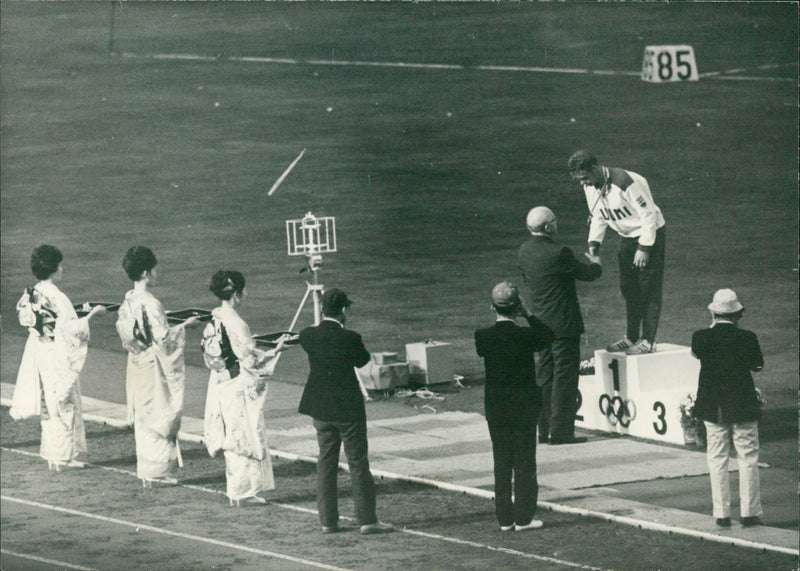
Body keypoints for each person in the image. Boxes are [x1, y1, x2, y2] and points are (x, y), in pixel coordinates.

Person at [297, 288, 393, 535]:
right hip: (348, 409)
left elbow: (309, 337)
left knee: (326, 463)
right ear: (343, 311)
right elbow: (362, 361)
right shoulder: (350, 337)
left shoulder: (308, 335)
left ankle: (328, 521)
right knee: (358, 463)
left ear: (322, 310)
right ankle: (367, 520)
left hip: (320, 408)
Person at [10, 245, 107, 471]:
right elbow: (72, 329)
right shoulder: (57, 296)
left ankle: (55, 454)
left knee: (49, 403)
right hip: (57, 353)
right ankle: (63, 457)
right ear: (53, 269)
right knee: (65, 400)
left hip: (40, 350)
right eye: (59, 265)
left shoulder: (31, 293)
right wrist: (93, 314)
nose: (62, 269)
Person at [201, 270, 291, 506]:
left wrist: (251, 343)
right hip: (236, 384)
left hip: (220, 381)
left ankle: (237, 490)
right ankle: (242, 492)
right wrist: (275, 351)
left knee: (233, 434)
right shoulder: (235, 322)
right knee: (244, 435)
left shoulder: (215, 319)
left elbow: (218, 353)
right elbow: (249, 359)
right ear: (237, 295)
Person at [115, 246, 200, 487]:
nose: (156, 273)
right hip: (153, 365)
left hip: (136, 360)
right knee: (159, 412)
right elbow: (163, 338)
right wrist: (185, 325)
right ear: (145, 272)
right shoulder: (151, 302)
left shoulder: (129, 299)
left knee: (145, 415)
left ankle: (147, 469)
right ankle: (159, 471)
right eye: (153, 269)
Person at [568, 150, 666, 355]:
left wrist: (644, 248)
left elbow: (648, 214)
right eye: (578, 180)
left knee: (648, 288)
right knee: (628, 288)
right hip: (627, 237)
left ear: (594, 169)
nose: (582, 183)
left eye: (584, 178)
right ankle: (631, 337)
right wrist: (594, 242)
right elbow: (598, 215)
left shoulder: (625, 181)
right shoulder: (590, 185)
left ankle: (648, 340)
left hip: (648, 234)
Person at [518, 206, 602, 445]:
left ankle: (544, 431)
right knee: (564, 379)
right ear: (548, 227)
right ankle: (562, 432)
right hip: (563, 326)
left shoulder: (524, 251)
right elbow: (588, 274)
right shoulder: (559, 252)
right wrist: (596, 262)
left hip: (540, 323)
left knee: (544, 377)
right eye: (554, 221)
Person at [474, 281, 554, 531]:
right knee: (525, 462)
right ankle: (523, 517)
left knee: (502, 461)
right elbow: (548, 336)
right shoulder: (525, 335)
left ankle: (504, 518)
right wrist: (528, 314)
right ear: (517, 306)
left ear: (492, 307)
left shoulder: (483, 336)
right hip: (524, 407)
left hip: (497, 408)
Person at [691, 289, 764, 528]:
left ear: (713, 312)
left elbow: (697, 354)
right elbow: (758, 366)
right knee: (748, 458)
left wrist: (713, 324)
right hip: (742, 404)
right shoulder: (748, 337)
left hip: (713, 405)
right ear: (738, 314)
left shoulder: (701, 337)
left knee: (717, 458)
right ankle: (749, 512)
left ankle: (721, 514)